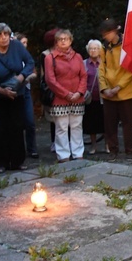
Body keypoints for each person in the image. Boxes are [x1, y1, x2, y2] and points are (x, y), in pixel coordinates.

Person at [0, 22, 35, 172]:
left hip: (17, 93)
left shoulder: (17, 47)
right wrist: (2, 91)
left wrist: (21, 77)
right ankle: (1, 163)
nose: (3, 37)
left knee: (17, 127)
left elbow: (30, 62)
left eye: (5, 34)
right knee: (0, 129)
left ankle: (18, 161)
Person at [98, 19, 132, 159]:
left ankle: (129, 150)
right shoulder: (103, 47)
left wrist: (117, 87)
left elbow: (131, 69)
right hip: (108, 92)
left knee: (128, 123)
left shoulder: (128, 45)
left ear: (115, 31)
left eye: (107, 33)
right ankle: (113, 150)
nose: (105, 37)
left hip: (126, 92)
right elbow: (101, 69)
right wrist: (104, 89)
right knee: (110, 124)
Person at [45, 29, 87, 163]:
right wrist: (66, 94)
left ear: (70, 40)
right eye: (60, 39)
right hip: (60, 98)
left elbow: (84, 76)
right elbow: (50, 80)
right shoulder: (50, 57)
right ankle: (63, 155)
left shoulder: (78, 57)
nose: (63, 41)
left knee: (77, 125)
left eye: (66, 38)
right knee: (61, 127)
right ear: (56, 42)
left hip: (77, 97)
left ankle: (77, 152)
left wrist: (79, 92)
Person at [15, 32, 38, 159]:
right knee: (17, 123)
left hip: (26, 91)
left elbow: (34, 73)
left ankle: (32, 148)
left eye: (26, 43)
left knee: (30, 121)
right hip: (15, 91)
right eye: (23, 43)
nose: (25, 45)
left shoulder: (27, 58)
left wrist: (26, 77)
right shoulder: (12, 57)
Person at [83, 39, 105, 154]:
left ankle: (107, 145)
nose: (93, 51)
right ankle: (93, 146)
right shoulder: (83, 63)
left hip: (103, 97)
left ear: (100, 50)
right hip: (89, 98)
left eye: (96, 48)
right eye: (91, 48)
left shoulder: (105, 62)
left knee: (105, 122)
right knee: (91, 123)